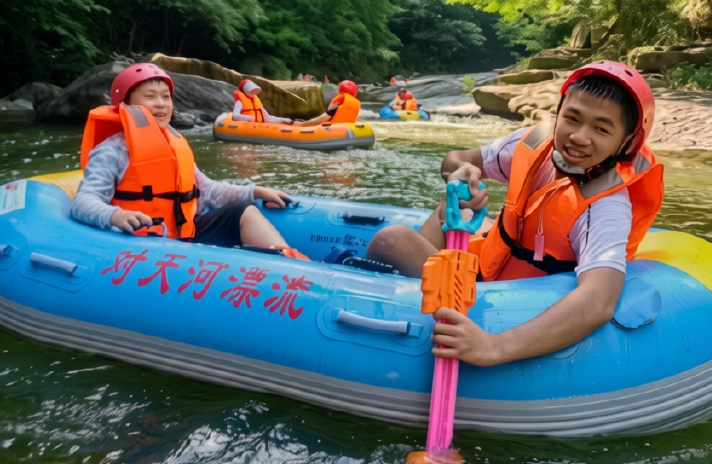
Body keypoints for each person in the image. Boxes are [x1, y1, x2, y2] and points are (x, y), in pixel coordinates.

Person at [366, 61, 664, 367]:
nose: (579, 137)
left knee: (392, 240)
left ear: (627, 142)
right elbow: (455, 159)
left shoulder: (607, 205)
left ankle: (396, 301)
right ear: (559, 112)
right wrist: (460, 175)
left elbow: (599, 301)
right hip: (487, 269)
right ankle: (414, 295)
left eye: (601, 129)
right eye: (572, 118)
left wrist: (495, 347)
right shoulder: (535, 142)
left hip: (517, 301)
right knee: (451, 203)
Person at [72, 64, 299, 253]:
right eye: (150, 97)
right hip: (139, 244)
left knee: (242, 209)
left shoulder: (173, 143)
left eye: (166, 97)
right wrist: (115, 215)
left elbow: (207, 190)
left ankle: (291, 264)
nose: (161, 103)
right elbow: (83, 202)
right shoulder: (112, 150)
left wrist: (254, 191)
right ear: (126, 106)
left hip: (183, 234)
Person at [295, 80, 360, 127]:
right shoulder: (354, 105)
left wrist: (301, 124)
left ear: (340, 91)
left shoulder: (336, 106)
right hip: (346, 130)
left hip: (332, 131)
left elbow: (322, 119)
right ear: (354, 93)